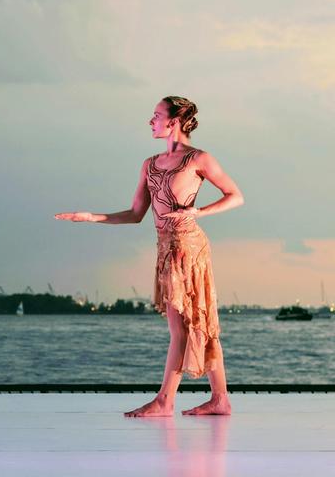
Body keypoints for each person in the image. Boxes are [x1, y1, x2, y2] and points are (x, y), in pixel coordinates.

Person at [55, 96, 243, 416]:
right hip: (164, 249)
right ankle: (220, 399)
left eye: (156, 115)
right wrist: (91, 217)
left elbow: (235, 196)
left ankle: (165, 401)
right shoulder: (150, 163)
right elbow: (135, 213)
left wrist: (198, 211)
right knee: (190, 323)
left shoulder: (199, 159)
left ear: (174, 122)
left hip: (189, 247)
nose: (150, 121)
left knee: (189, 324)